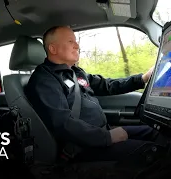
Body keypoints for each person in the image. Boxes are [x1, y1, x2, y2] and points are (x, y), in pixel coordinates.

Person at [25, 25, 163, 162]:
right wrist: (107, 137)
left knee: (159, 133)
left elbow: (108, 85)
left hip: (102, 133)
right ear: (53, 48)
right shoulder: (44, 80)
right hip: (83, 147)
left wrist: (142, 78)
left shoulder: (76, 72)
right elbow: (62, 123)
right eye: (70, 41)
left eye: (75, 41)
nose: (77, 46)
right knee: (156, 153)